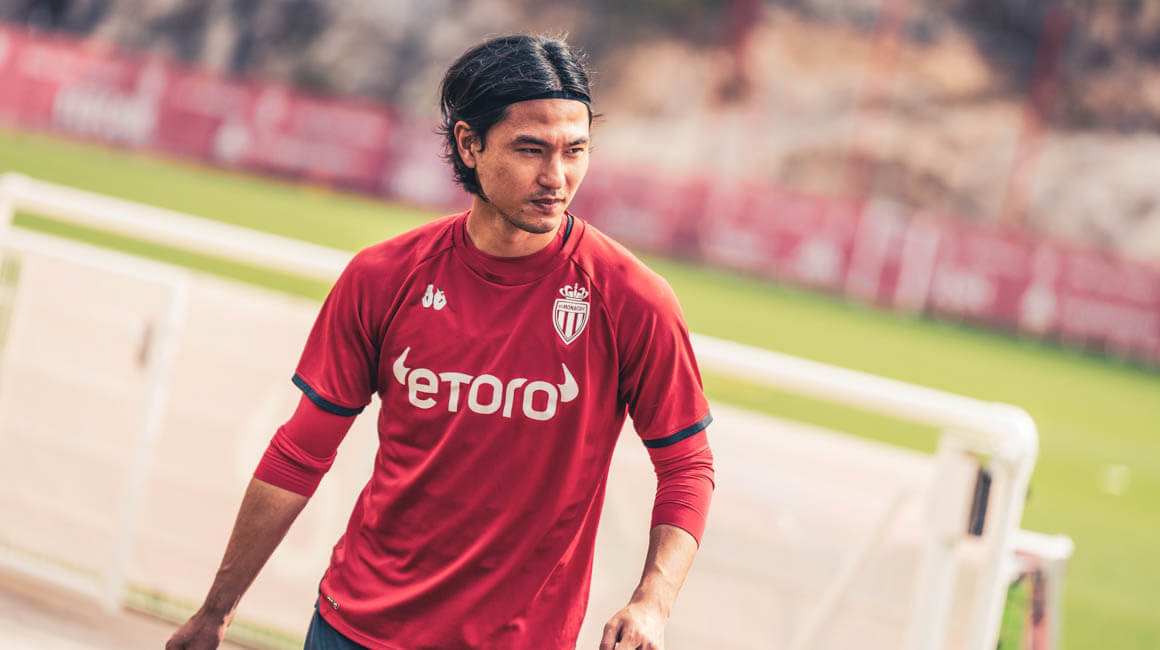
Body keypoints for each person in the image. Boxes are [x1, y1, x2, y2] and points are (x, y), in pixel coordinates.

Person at [166, 34, 714, 650]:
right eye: (531, 150)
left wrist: (653, 602)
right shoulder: (384, 277)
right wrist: (216, 610)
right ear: (469, 143)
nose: (556, 177)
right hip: (354, 631)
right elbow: (301, 452)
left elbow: (686, 466)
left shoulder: (632, 299)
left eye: (575, 150)